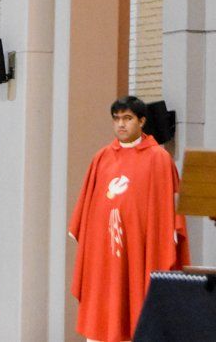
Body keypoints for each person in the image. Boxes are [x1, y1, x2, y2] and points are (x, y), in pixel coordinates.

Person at [69, 96, 190, 342]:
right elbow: (86, 212)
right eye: (117, 119)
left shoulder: (159, 159)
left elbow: (168, 213)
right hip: (105, 258)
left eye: (128, 119)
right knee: (103, 314)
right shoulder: (102, 158)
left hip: (140, 253)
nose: (121, 125)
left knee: (137, 307)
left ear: (142, 121)